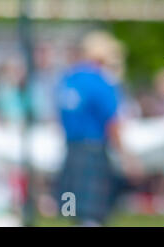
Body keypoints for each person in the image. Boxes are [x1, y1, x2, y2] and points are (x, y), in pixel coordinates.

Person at [55, 30, 138, 226]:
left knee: (75, 211)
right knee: (94, 214)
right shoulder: (102, 82)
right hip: (94, 152)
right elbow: (113, 123)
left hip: (72, 151)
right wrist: (127, 158)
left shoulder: (68, 79)